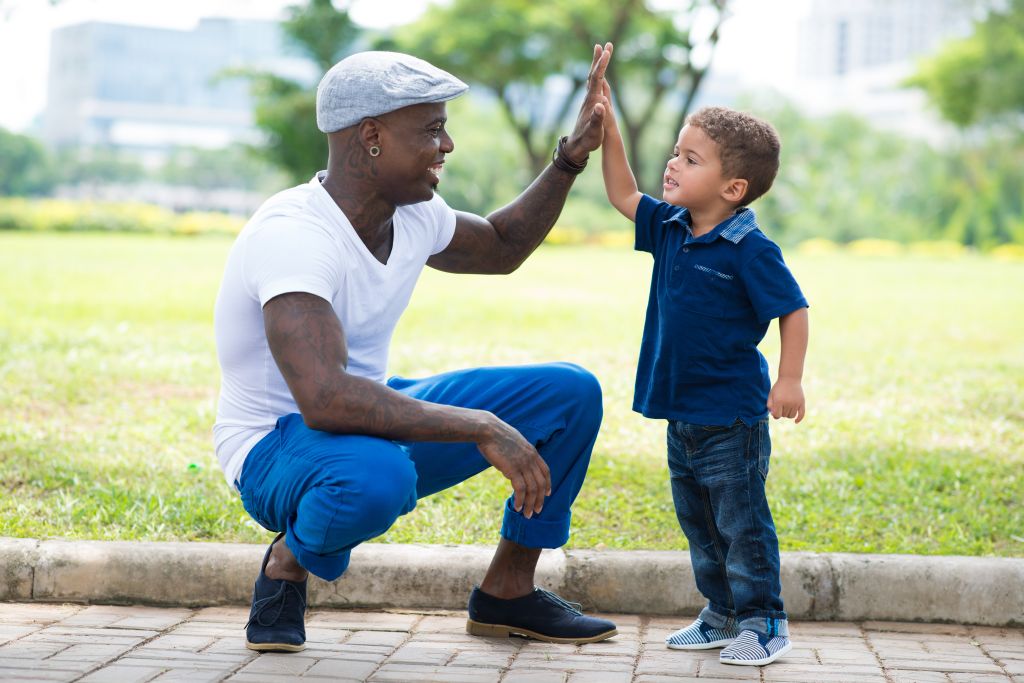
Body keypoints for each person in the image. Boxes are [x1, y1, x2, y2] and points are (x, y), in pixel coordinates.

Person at [212, 45, 618, 653]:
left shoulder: (415, 215)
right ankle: (287, 563)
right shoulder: (295, 235)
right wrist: (480, 425)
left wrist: (569, 158)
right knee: (376, 479)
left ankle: (508, 592)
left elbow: (503, 245)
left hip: (367, 416)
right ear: (370, 136)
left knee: (568, 392)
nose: (447, 145)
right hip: (278, 444)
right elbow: (323, 399)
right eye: (432, 129)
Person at [599, 66, 809, 666]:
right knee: (699, 523)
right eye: (674, 154)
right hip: (683, 414)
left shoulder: (749, 249)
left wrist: (789, 379)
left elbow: (793, 311)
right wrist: (608, 125)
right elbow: (620, 193)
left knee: (741, 525)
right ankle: (720, 615)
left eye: (690, 160)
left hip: (732, 418)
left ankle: (764, 623)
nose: (672, 166)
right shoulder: (669, 227)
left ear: (733, 188)